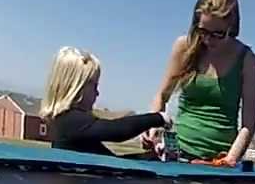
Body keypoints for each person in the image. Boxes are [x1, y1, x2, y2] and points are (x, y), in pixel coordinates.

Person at [145, 0, 255, 166]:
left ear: (233, 28)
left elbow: (248, 126)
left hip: (219, 159)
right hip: (178, 154)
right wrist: (151, 126)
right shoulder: (184, 46)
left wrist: (229, 160)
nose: (209, 40)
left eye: (218, 34)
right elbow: (161, 95)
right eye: (203, 32)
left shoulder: (248, 61)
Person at [41, 46, 169, 156]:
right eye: (94, 86)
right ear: (77, 87)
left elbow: (110, 160)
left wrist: (151, 156)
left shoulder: (67, 122)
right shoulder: (69, 120)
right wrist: (158, 118)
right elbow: (117, 130)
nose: (97, 93)